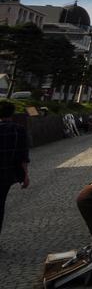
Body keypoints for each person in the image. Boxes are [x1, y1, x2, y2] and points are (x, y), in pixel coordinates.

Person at [0, 101, 30, 236]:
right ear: (12, 113)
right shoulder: (19, 130)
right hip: (6, 174)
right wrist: (25, 175)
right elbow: (22, 155)